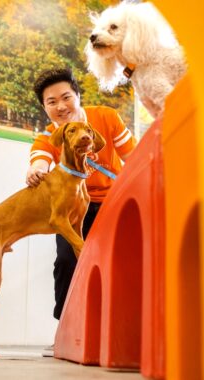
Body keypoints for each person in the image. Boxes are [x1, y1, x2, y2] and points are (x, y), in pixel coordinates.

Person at [26, 68, 136, 356]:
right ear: (45, 108)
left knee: (118, 265)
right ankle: (65, 329)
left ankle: (121, 332)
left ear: (78, 96)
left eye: (66, 97)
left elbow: (133, 158)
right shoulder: (50, 135)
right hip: (75, 209)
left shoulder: (107, 118)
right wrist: (36, 170)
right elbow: (39, 158)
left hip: (113, 203)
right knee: (65, 260)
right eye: (52, 102)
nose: (61, 106)